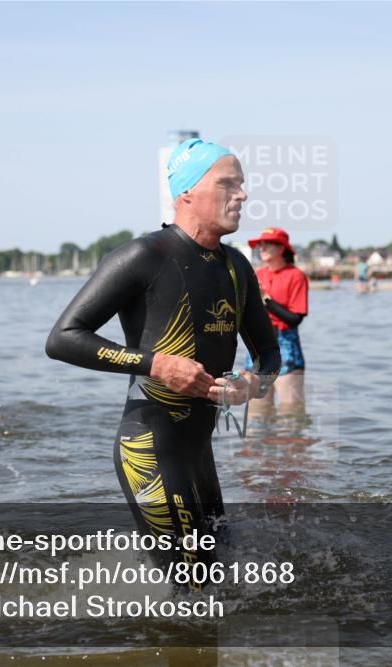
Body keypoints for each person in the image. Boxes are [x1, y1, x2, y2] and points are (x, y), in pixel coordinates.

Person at [46, 138, 280, 574]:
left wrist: (252, 384)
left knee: (220, 578)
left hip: (199, 453)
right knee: (195, 590)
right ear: (187, 192)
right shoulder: (143, 256)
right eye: (228, 184)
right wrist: (155, 364)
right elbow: (62, 338)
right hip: (150, 448)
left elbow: (269, 353)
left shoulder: (236, 266)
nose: (243, 195)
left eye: (243, 185)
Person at [247, 227, 309, 411]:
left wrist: (265, 298)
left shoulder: (296, 276)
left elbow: (294, 319)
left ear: (281, 249)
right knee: (257, 412)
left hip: (286, 345)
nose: (261, 248)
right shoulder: (258, 274)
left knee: (291, 412)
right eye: (260, 244)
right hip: (258, 346)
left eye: (267, 244)